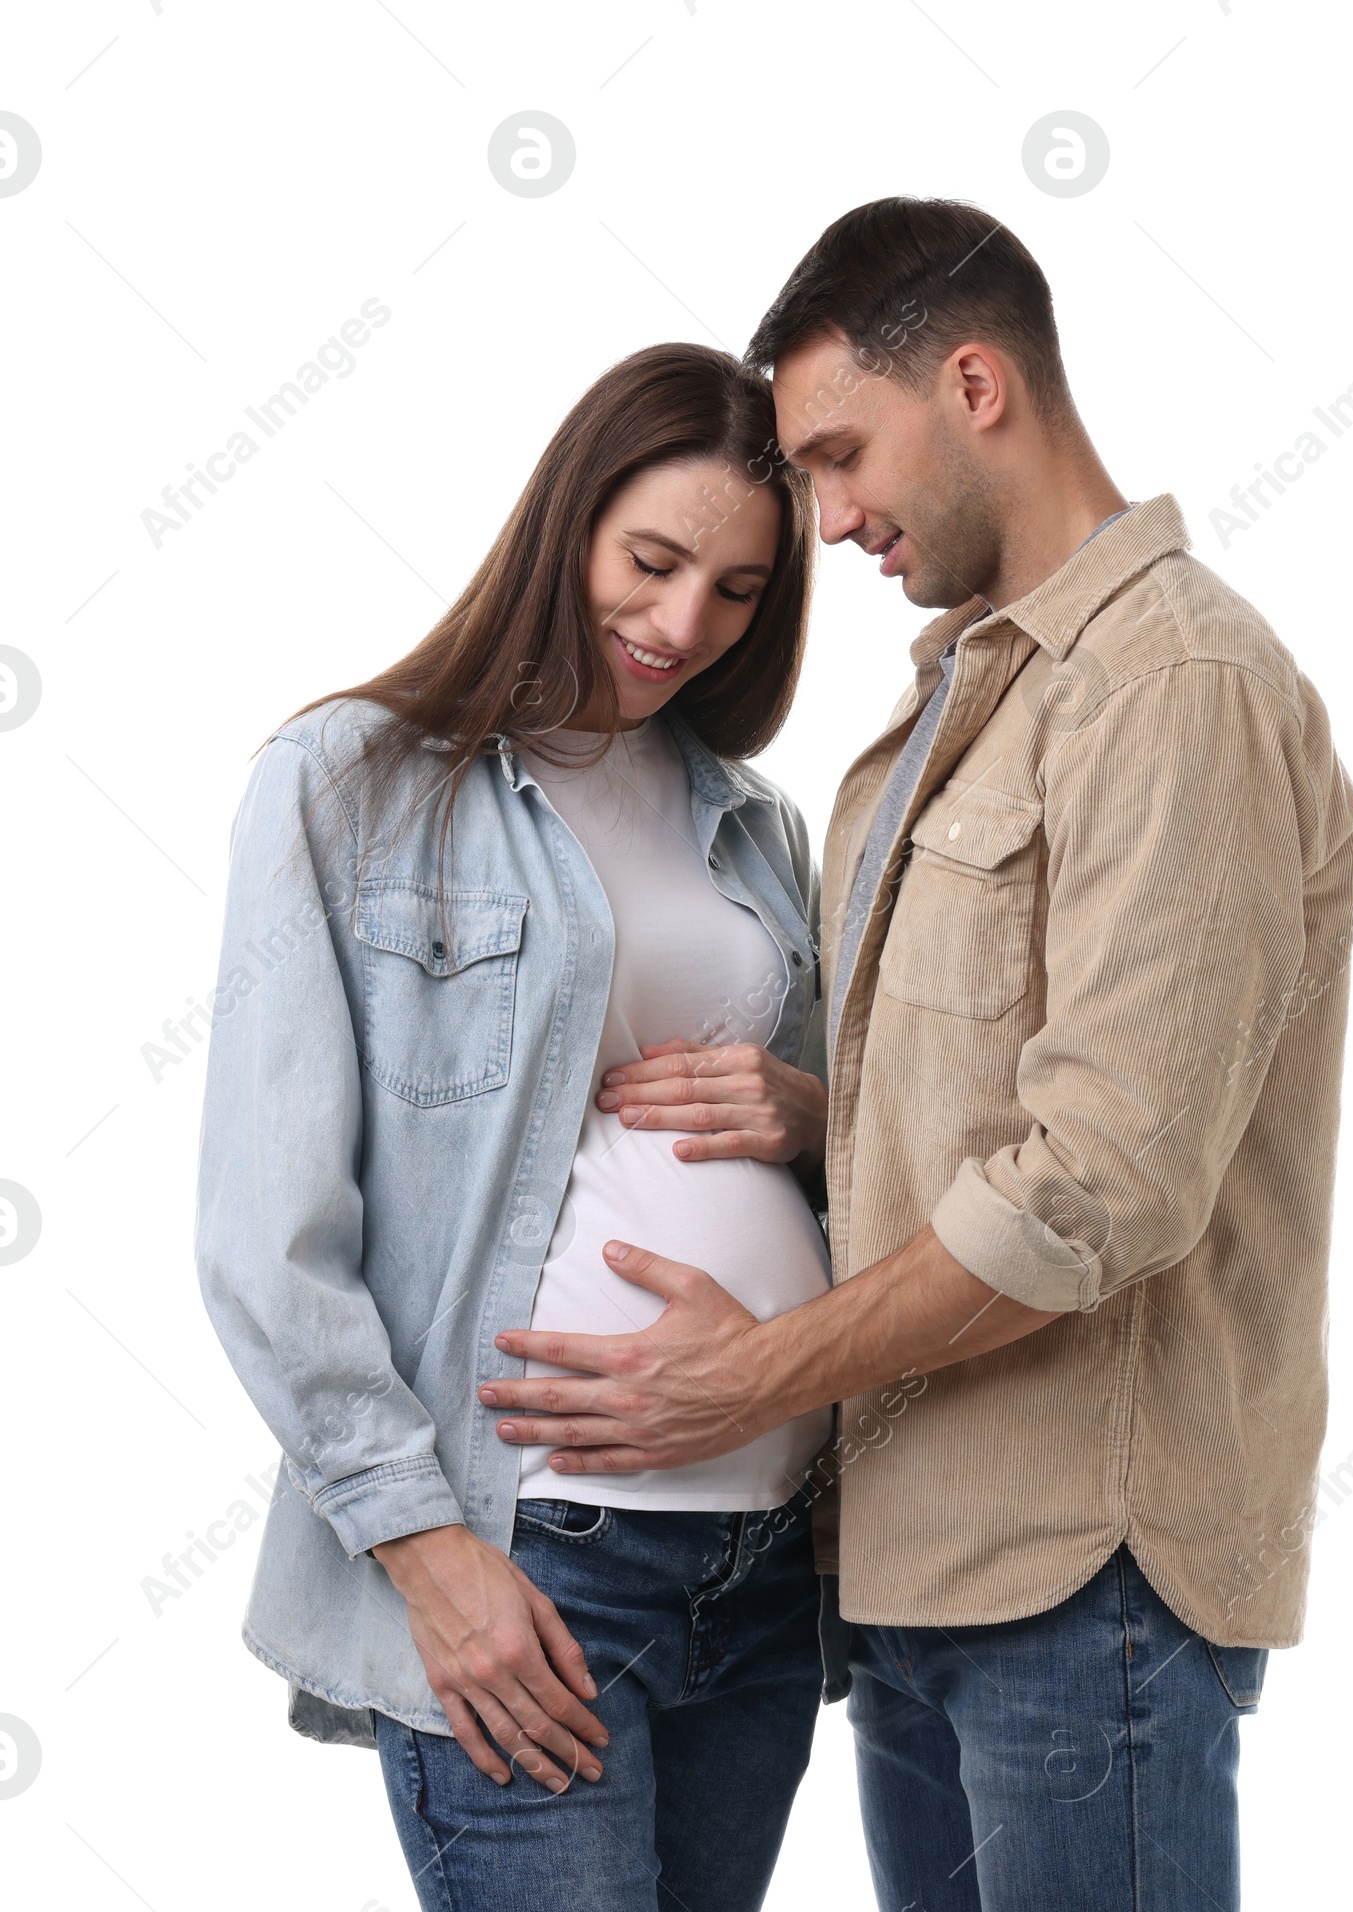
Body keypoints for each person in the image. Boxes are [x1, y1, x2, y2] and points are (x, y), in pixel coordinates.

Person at [483, 200, 1353, 1912]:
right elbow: (1018, 1087)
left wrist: (749, 1376)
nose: (828, 518)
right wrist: (833, 1122)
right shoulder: (961, 704)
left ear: (975, 384)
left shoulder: (1173, 683)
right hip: (918, 1567)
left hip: (1080, 1577)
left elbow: (1098, 1187)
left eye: (837, 455)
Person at [195, 342, 835, 1912]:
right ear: (570, 522)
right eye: (657, 560)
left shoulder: (756, 823)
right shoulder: (351, 784)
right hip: (536, 1562)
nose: (684, 626)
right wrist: (427, 1554)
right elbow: (267, 1234)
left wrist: (818, 1112)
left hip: (767, 1571)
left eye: (741, 591)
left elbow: (851, 1162)